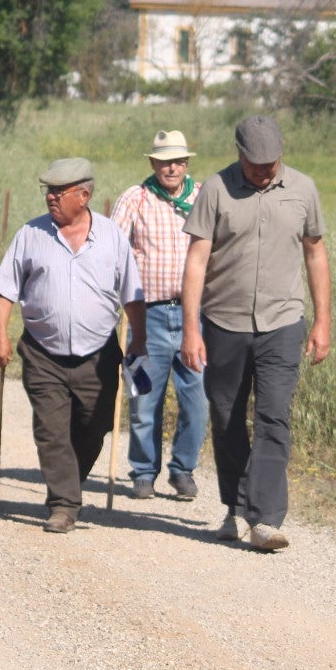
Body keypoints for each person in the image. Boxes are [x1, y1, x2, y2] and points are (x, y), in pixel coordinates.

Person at [180, 115, 331, 551]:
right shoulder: (215, 189)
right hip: (224, 322)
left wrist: (322, 320)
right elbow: (196, 261)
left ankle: (263, 519)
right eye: (255, 165)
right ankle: (234, 505)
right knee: (226, 417)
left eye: (271, 164)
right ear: (239, 154)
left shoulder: (303, 189)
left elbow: (316, 251)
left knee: (274, 416)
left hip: (282, 322)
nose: (264, 172)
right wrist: (192, 329)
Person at [0, 158, 146, 534]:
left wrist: (139, 339)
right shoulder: (31, 235)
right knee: (52, 429)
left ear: (84, 195)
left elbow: (133, 296)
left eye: (60, 192)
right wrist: (0, 334)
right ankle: (63, 504)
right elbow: (4, 289)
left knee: (94, 426)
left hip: (98, 354)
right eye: (49, 191)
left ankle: (67, 486)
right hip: (43, 352)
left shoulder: (111, 237)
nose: (51, 198)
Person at [109, 130, 208, 501]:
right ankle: (143, 472)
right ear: (152, 162)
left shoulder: (201, 198)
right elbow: (112, 251)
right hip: (143, 315)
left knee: (197, 400)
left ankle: (183, 470)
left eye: (179, 160)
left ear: (187, 163)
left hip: (192, 317)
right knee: (142, 400)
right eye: (165, 160)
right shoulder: (135, 199)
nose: (173, 167)